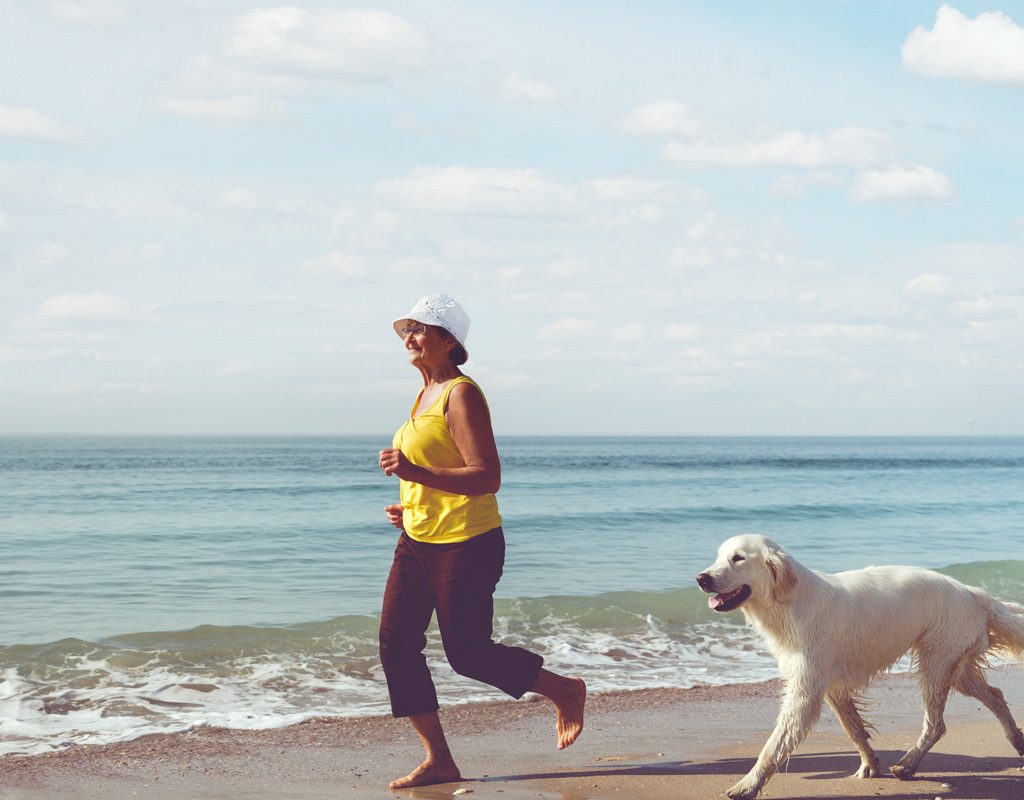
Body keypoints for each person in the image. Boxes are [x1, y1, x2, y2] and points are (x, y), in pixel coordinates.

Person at [377, 292, 586, 789]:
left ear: (449, 340)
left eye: (421, 328)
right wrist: (409, 505)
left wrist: (411, 469)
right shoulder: (421, 396)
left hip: (468, 543)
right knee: (395, 646)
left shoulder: (461, 393)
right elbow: (439, 472)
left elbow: (485, 476)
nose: (410, 336)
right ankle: (440, 760)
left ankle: (562, 688)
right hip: (418, 538)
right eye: (407, 328)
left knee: (467, 654)